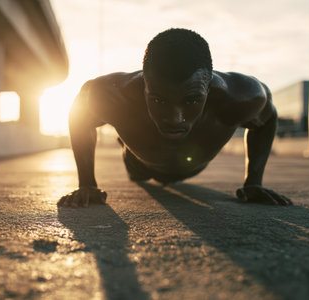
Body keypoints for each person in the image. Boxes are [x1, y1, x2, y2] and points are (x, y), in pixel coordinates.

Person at [58, 28, 292, 208]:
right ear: (144, 86)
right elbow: (79, 117)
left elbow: (267, 120)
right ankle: (126, 148)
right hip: (139, 164)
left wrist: (254, 182)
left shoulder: (241, 97)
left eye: (191, 100)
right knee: (136, 168)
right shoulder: (111, 95)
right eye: (159, 100)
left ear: (208, 88)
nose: (174, 118)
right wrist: (86, 183)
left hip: (192, 164)